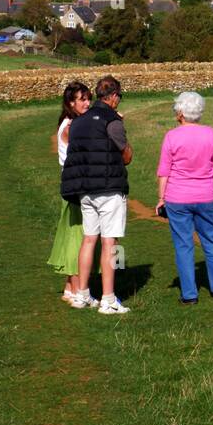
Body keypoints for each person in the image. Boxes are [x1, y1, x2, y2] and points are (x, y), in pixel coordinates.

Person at [61, 75, 132, 314]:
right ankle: (108, 299)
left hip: (85, 190)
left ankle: (82, 294)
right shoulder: (112, 120)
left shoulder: (78, 122)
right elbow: (127, 156)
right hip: (109, 188)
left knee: (88, 239)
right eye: (119, 96)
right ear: (112, 96)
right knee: (109, 242)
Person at [156, 91, 213, 303]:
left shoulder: (171, 136)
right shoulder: (211, 134)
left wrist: (162, 198)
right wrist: (208, 187)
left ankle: (189, 294)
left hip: (177, 197)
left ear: (180, 113)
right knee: (211, 240)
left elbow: (164, 172)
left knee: (183, 244)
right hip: (206, 195)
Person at [47, 80, 92, 303]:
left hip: (70, 183)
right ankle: (77, 289)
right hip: (77, 186)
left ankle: (68, 287)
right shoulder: (73, 126)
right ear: (70, 102)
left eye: (88, 98)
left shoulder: (68, 122)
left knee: (73, 233)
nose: (87, 103)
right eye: (82, 99)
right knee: (79, 237)